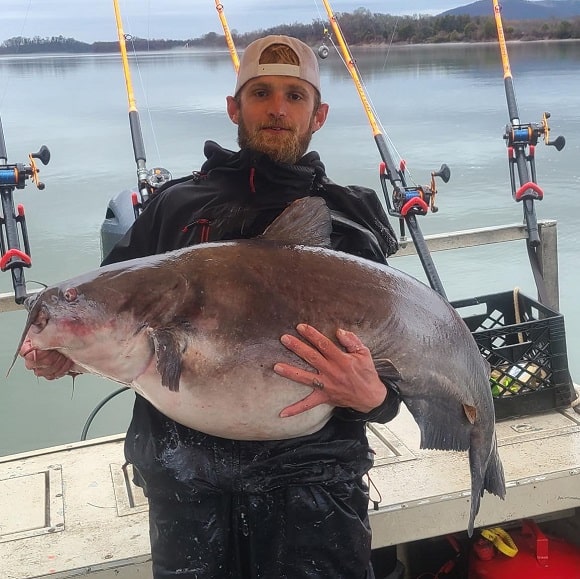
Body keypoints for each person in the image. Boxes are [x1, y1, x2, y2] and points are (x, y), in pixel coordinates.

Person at [21, 35, 401, 579]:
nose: (276, 108)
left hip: (316, 488)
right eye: (260, 93)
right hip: (185, 486)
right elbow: (113, 319)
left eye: (295, 96)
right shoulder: (172, 208)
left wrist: (375, 397)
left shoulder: (351, 224)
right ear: (234, 108)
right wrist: (66, 354)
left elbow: (397, 376)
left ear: (318, 115)